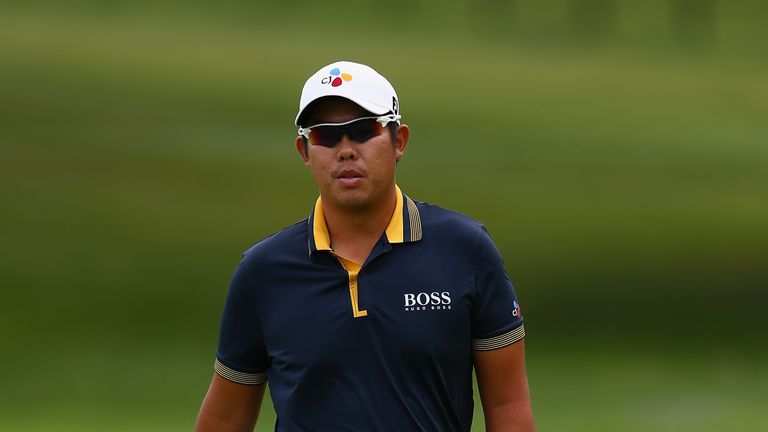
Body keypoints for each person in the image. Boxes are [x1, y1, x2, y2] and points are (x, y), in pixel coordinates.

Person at [195, 61, 535, 432]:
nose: (345, 150)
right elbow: (226, 417)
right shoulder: (263, 272)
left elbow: (507, 403)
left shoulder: (465, 250)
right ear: (304, 151)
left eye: (362, 131)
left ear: (399, 140)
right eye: (325, 136)